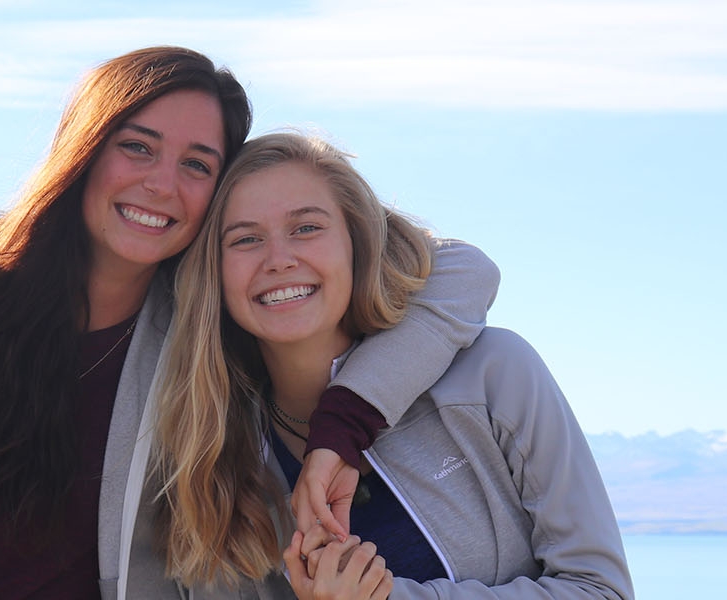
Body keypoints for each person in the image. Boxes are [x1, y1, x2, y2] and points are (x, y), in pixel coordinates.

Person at [0, 47, 499, 599]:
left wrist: (347, 421)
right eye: (136, 147)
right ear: (84, 150)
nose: (160, 184)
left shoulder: (206, 318)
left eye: (198, 164)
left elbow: (464, 272)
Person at [155, 132, 634, 599]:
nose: (279, 259)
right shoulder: (211, 458)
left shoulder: (494, 374)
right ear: (213, 271)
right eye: (245, 239)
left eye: (307, 228)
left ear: (356, 243)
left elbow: (600, 590)